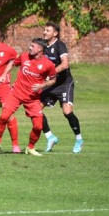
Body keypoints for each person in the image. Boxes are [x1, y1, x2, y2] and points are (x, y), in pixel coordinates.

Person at [0, 38, 57, 156]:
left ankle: (30, 148)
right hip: (16, 93)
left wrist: (42, 85)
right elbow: (12, 63)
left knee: (38, 126)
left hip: (33, 98)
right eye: (30, 45)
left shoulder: (48, 64)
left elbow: (53, 79)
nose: (30, 47)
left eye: (33, 46)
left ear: (40, 49)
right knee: (4, 116)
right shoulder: (24, 56)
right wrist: (4, 74)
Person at [40, 22, 84, 153]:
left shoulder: (60, 45)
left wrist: (50, 74)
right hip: (51, 84)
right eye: (44, 30)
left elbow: (65, 65)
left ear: (55, 33)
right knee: (35, 110)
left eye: (47, 30)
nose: (44, 32)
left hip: (64, 83)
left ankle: (79, 139)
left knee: (67, 112)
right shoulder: (43, 46)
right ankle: (50, 137)